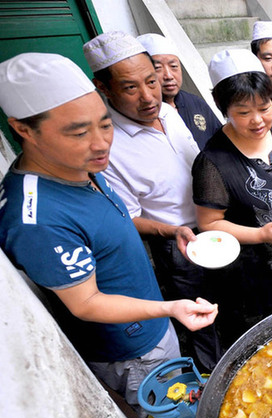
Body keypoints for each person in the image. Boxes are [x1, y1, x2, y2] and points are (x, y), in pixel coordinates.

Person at [0, 53, 218, 418]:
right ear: (23, 130)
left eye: (104, 124)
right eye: (79, 132)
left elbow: (110, 223)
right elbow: (85, 303)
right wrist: (169, 308)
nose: (101, 143)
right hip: (131, 350)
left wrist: (169, 229)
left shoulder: (79, 165)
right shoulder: (36, 219)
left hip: (153, 318)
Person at [83, 32, 222, 372]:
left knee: (228, 300)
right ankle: (214, 374)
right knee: (199, 315)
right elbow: (127, 218)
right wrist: (171, 231)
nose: (148, 97)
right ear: (103, 88)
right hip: (180, 240)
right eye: (130, 88)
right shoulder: (109, 147)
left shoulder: (170, 112)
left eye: (151, 81)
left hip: (216, 225)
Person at [192, 49, 272, 347]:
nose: (258, 120)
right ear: (224, 109)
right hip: (255, 278)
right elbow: (209, 224)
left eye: (264, 107)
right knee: (270, 343)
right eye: (243, 113)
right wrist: (261, 234)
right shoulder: (213, 161)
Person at [137, 33, 221, 150]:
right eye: (157, 68)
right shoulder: (141, 112)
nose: (169, 75)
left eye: (173, 66)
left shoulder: (196, 103)